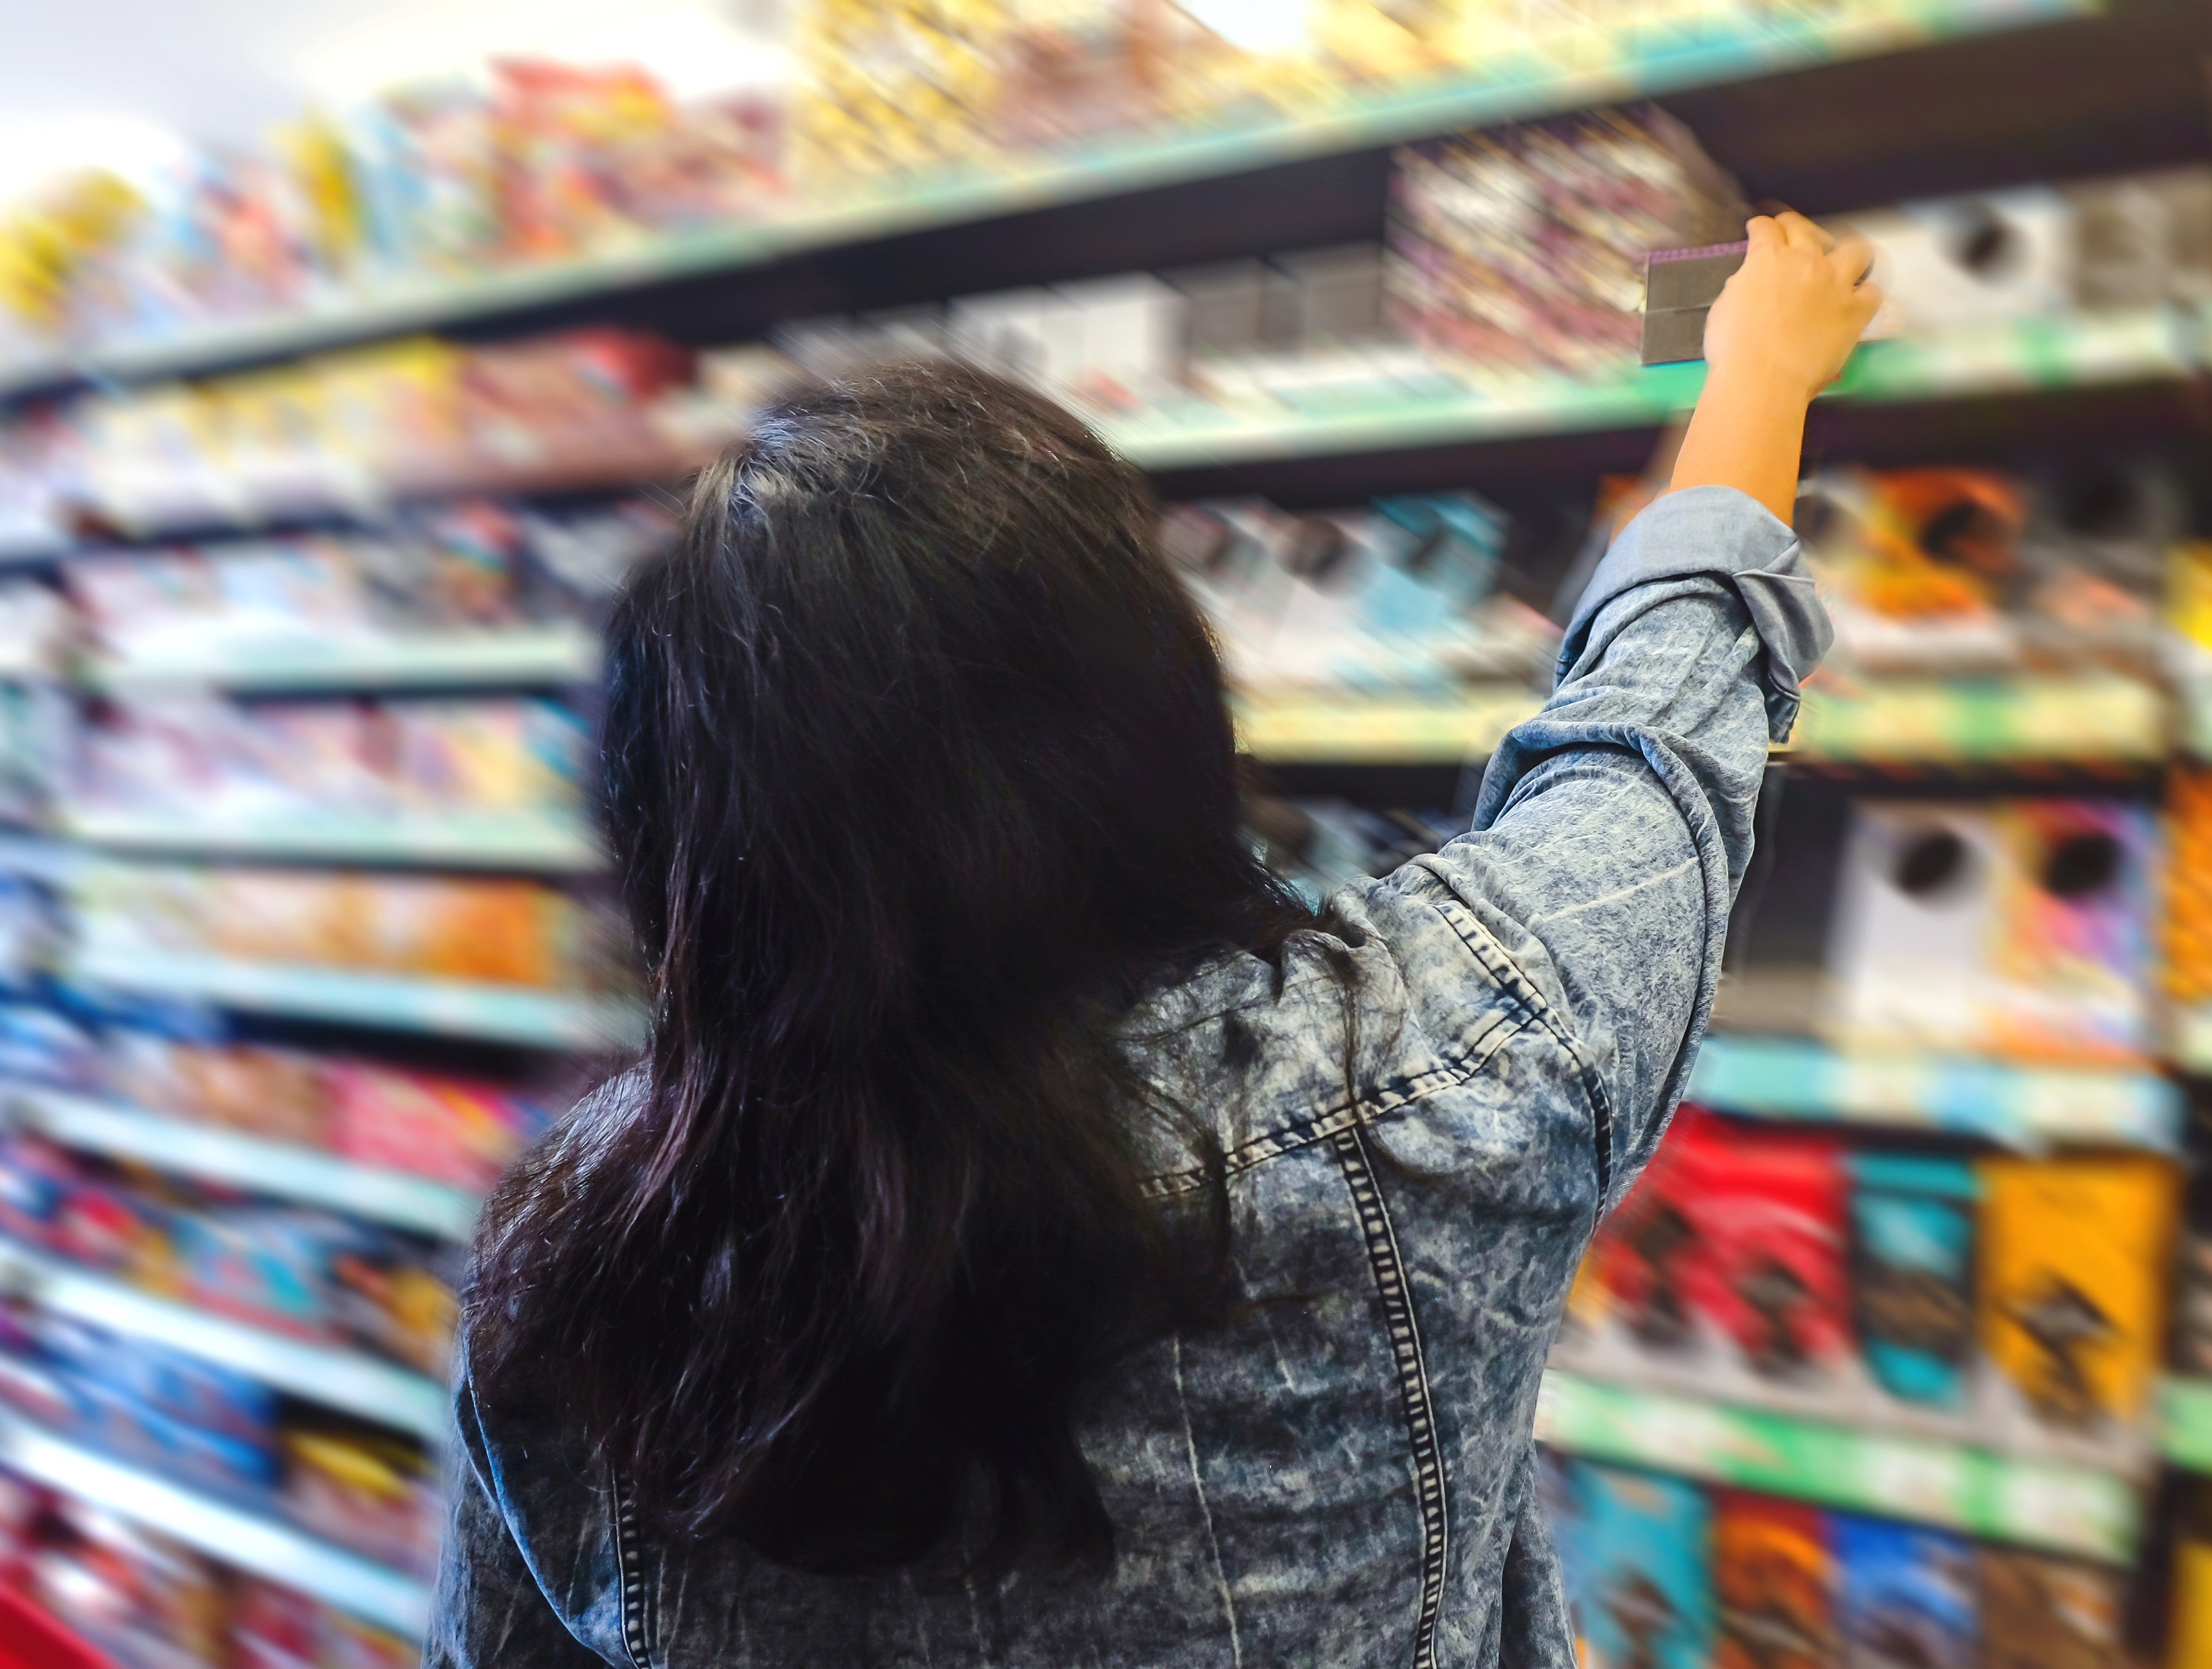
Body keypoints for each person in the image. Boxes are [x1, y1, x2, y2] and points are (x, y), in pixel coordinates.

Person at [430, 212, 1880, 1669]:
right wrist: (1758, 371)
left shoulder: (579, 1268)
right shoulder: (1441, 1074)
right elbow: (1651, 745)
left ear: (671, 838)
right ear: (1154, 721)